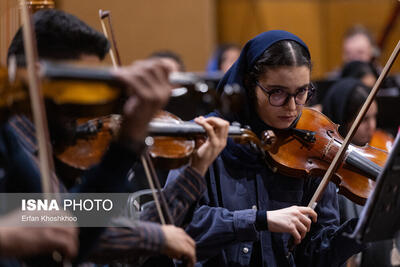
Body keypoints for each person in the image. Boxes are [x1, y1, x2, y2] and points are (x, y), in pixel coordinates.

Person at [2, 9, 230, 266]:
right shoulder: (13, 150)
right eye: (83, 85)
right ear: (36, 76)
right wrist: (153, 236)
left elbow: (96, 229)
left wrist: (195, 170)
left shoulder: (53, 153)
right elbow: (59, 227)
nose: (89, 104)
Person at [166, 30, 365, 267]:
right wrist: (259, 220)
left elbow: (315, 255)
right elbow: (179, 227)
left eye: (302, 92)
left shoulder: (312, 149)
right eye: (277, 92)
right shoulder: (206, 138)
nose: (292, 107)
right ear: (250, 85)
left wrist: (364, 229)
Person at [322, 78, 397, 267]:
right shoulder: (324, 170)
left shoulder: (375, 152)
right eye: (364, 119)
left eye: (374, 117)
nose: (372, 126)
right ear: (343, 117)